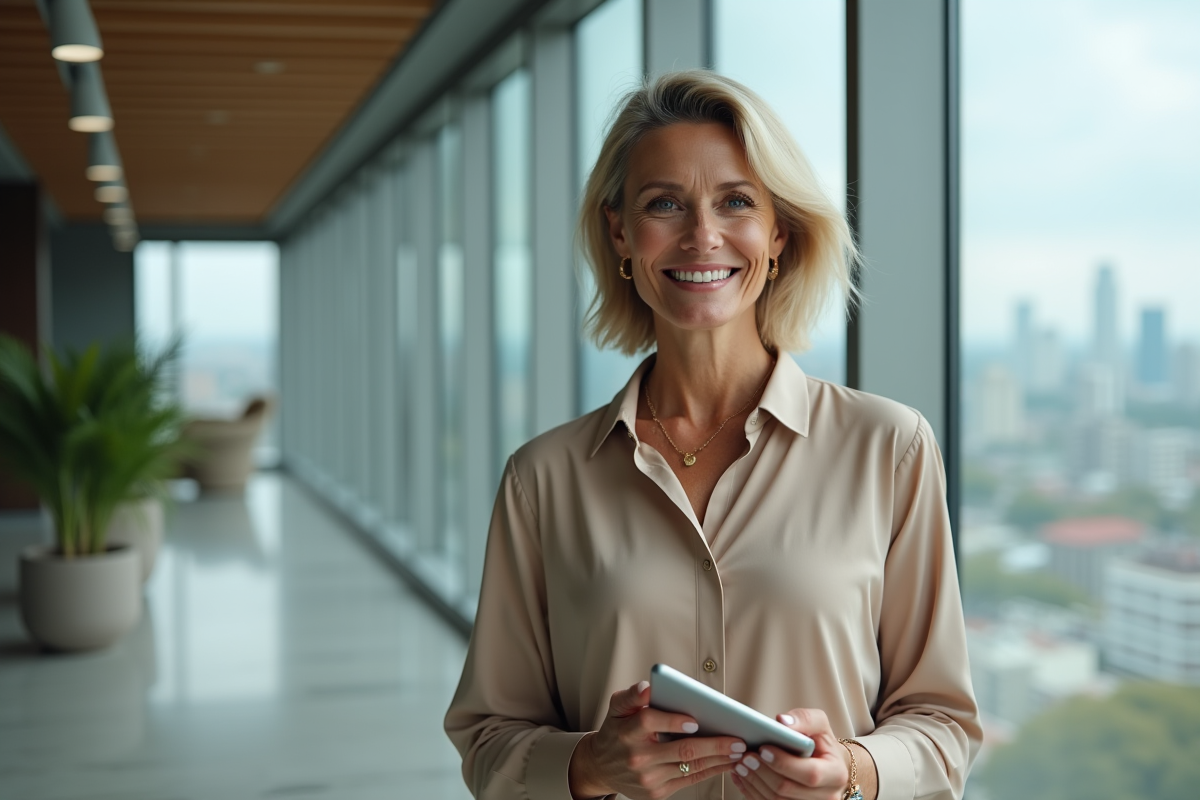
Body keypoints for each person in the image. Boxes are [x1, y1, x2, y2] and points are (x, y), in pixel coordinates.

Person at [444, 70, 980, 800]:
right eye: (664, 204)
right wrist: (589, 765)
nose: (702, 235)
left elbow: (944, 726)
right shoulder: (543, 478)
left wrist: (851, 770)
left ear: (779, 233)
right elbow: (487, 739)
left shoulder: (889, 448)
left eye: (736, 202)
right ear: (620, 232)